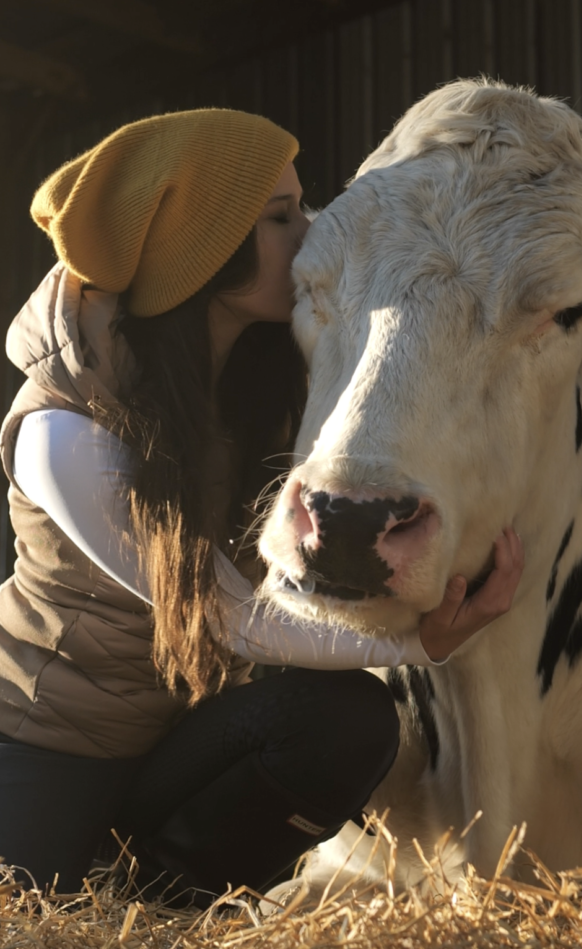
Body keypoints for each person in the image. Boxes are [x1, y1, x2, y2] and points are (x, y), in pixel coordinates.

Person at [0, 109, 524, 904]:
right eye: (281, 217)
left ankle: (168, 907)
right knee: (36, 917)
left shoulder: (261, 378)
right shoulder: (64, 430)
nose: (310, 234)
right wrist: (424, 642)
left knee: (346, 723)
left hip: (176, 736)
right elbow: (228, 618)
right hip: (47, 744)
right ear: (201, 256)